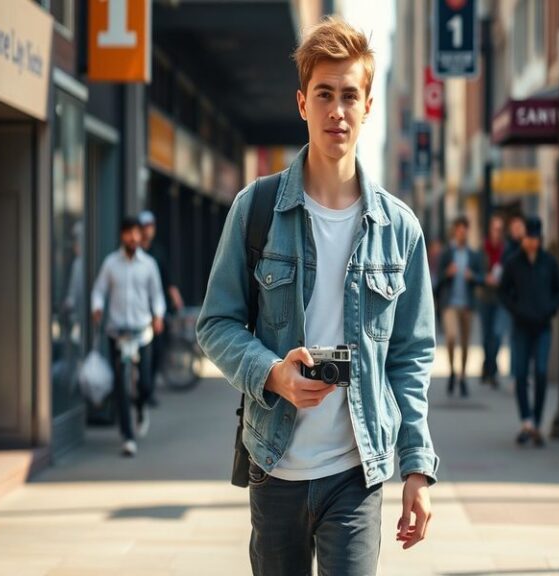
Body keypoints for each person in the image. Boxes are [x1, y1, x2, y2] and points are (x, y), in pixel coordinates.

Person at [196, 17, 438, 575]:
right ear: (302, 103)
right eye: (324, 95)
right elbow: (216, 323)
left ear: (369, 105)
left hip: (356, 473)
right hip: (274, 465)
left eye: (349, 95)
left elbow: (411, 357)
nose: (337, 111)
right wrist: (273, 373)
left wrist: (417, 470)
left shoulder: (399, 229)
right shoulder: (255, 210)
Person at [92, 217, 166, 457]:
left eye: (136, 233)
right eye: (129, 234)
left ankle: (142, 405)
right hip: (118, 334)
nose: (133, 238)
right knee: (121, 386)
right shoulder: (110, 264)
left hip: (142, 332)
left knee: (144, 383)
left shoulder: (149, 264)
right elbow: (99, 290)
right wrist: (97, 306)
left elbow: (157, 294)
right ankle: (128, 436)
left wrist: (158, 315)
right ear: (122, 236)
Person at [499, 216, 559, 448]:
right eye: (528, 238)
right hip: (521, 326)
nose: (531, 242)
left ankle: (536, 421)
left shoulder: (549, 262)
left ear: (540, 239)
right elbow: (503, 292)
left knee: (542, 372)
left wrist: (551, 309)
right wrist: (516, 309)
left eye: (535, 238)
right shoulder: (514, 262)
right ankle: (526, 421)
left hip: (543, 326)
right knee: (522, 374)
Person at [139, 210, 184, 405]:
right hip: (138, 310)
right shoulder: (136, 253)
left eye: (151, 226)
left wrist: (175, 297)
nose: (149, 230)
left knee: (156, 349)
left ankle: (147, 391)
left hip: (156, 310)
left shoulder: (157, 252)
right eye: (145, 226)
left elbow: (167, 279)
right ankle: (140, 389)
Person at [437, 216, 483, 397]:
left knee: (465, 344)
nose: (462, 233)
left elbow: (481, 276)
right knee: (451, 337)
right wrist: (447, 273)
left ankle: (462, 376)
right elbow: (437, 278)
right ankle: (451, 371)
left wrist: (474, 277)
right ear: (455, 231)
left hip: (467, 305)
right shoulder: (447, 253)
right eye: (459, 229)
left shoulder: (473, 255)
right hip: (450, 304)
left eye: (465, 230)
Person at [479, 215, 507, 388]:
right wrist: (485, 278)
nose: (497, 232)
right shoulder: (482, 249)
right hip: (485, 297)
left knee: (497, 335)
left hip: (500, 297)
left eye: (499, 229)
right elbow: (475, 271)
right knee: (485, 336)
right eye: (494, 229)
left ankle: (491, 368)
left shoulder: (505, 250)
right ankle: (489, 368)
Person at [502, 212, 526, 380]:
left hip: (528, 300)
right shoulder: (509, 249)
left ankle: (522, 372)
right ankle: (514, 373)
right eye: (514, 227)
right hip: (513, 300)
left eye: (520, 227)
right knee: (514, 337)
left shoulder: (529, 247)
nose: (517, 231)